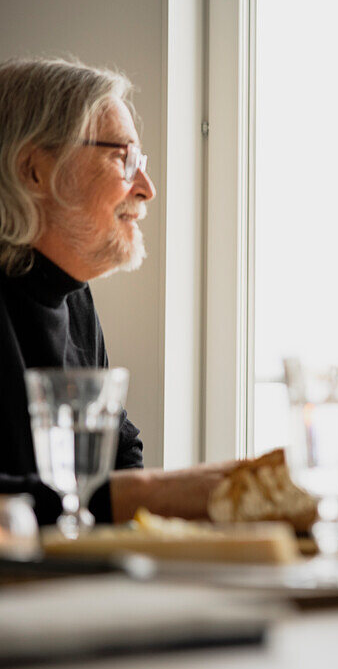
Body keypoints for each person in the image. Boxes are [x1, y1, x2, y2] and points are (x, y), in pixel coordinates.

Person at [0, 57, 233, 527]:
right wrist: (159, 494)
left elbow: (122, 456)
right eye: (123, 158)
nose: (146, 188)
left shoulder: (73, 296)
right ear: (34, 170)